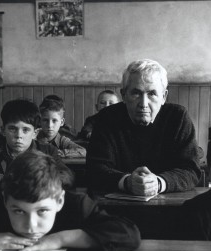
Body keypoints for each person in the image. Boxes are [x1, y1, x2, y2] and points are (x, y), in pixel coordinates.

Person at [0, 151, 141, 251]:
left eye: (42, 211)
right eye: (19, 211)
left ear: (59, 201)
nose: (31, 225)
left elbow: (128, 234)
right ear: (6, 202)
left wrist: (60, 238)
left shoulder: (77, 206)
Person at [86, 59, 201, 196]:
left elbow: (191, 170)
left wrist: (158, 182)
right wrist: (127, 182)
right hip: (115, 209)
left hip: (169, 209)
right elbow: (95, 169)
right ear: (124, 95)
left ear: (164, 97)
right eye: (136, 93)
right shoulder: (107, 118)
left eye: (152, 94)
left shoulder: (178, 117)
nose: (143, 104)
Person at [0, 99, 61, 190]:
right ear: (3, 131)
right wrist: (10, 181)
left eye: (25, 130)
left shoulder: (48, 151)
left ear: (35, 133)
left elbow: (65, 176)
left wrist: (37, 180)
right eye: (12, 129)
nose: (19, 136)